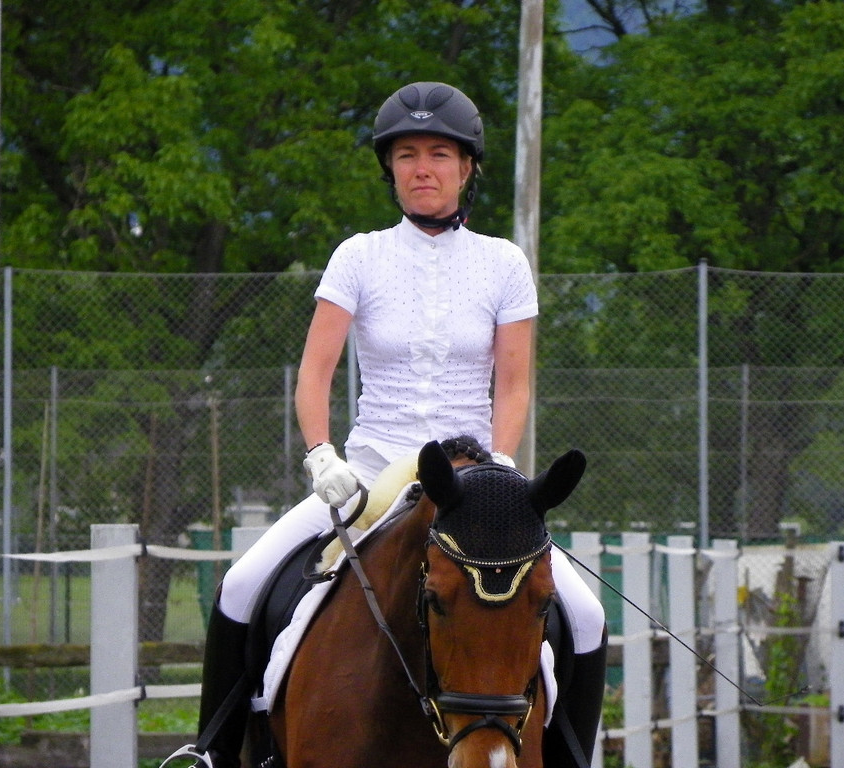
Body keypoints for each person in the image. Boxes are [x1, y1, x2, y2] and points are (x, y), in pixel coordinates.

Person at [193, 82, 606, 768]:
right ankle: (210, 752)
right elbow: (314, 374)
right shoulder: (359, 256)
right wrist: (322, 456)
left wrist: (502, 465)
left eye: (439, 154)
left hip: (473, 483)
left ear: (467, 167)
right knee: (241, 582)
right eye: (407, 154)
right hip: (369, 474)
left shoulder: (504, 262)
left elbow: (514, 382)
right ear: (390, 167)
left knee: (587, 615)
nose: (422, 168)